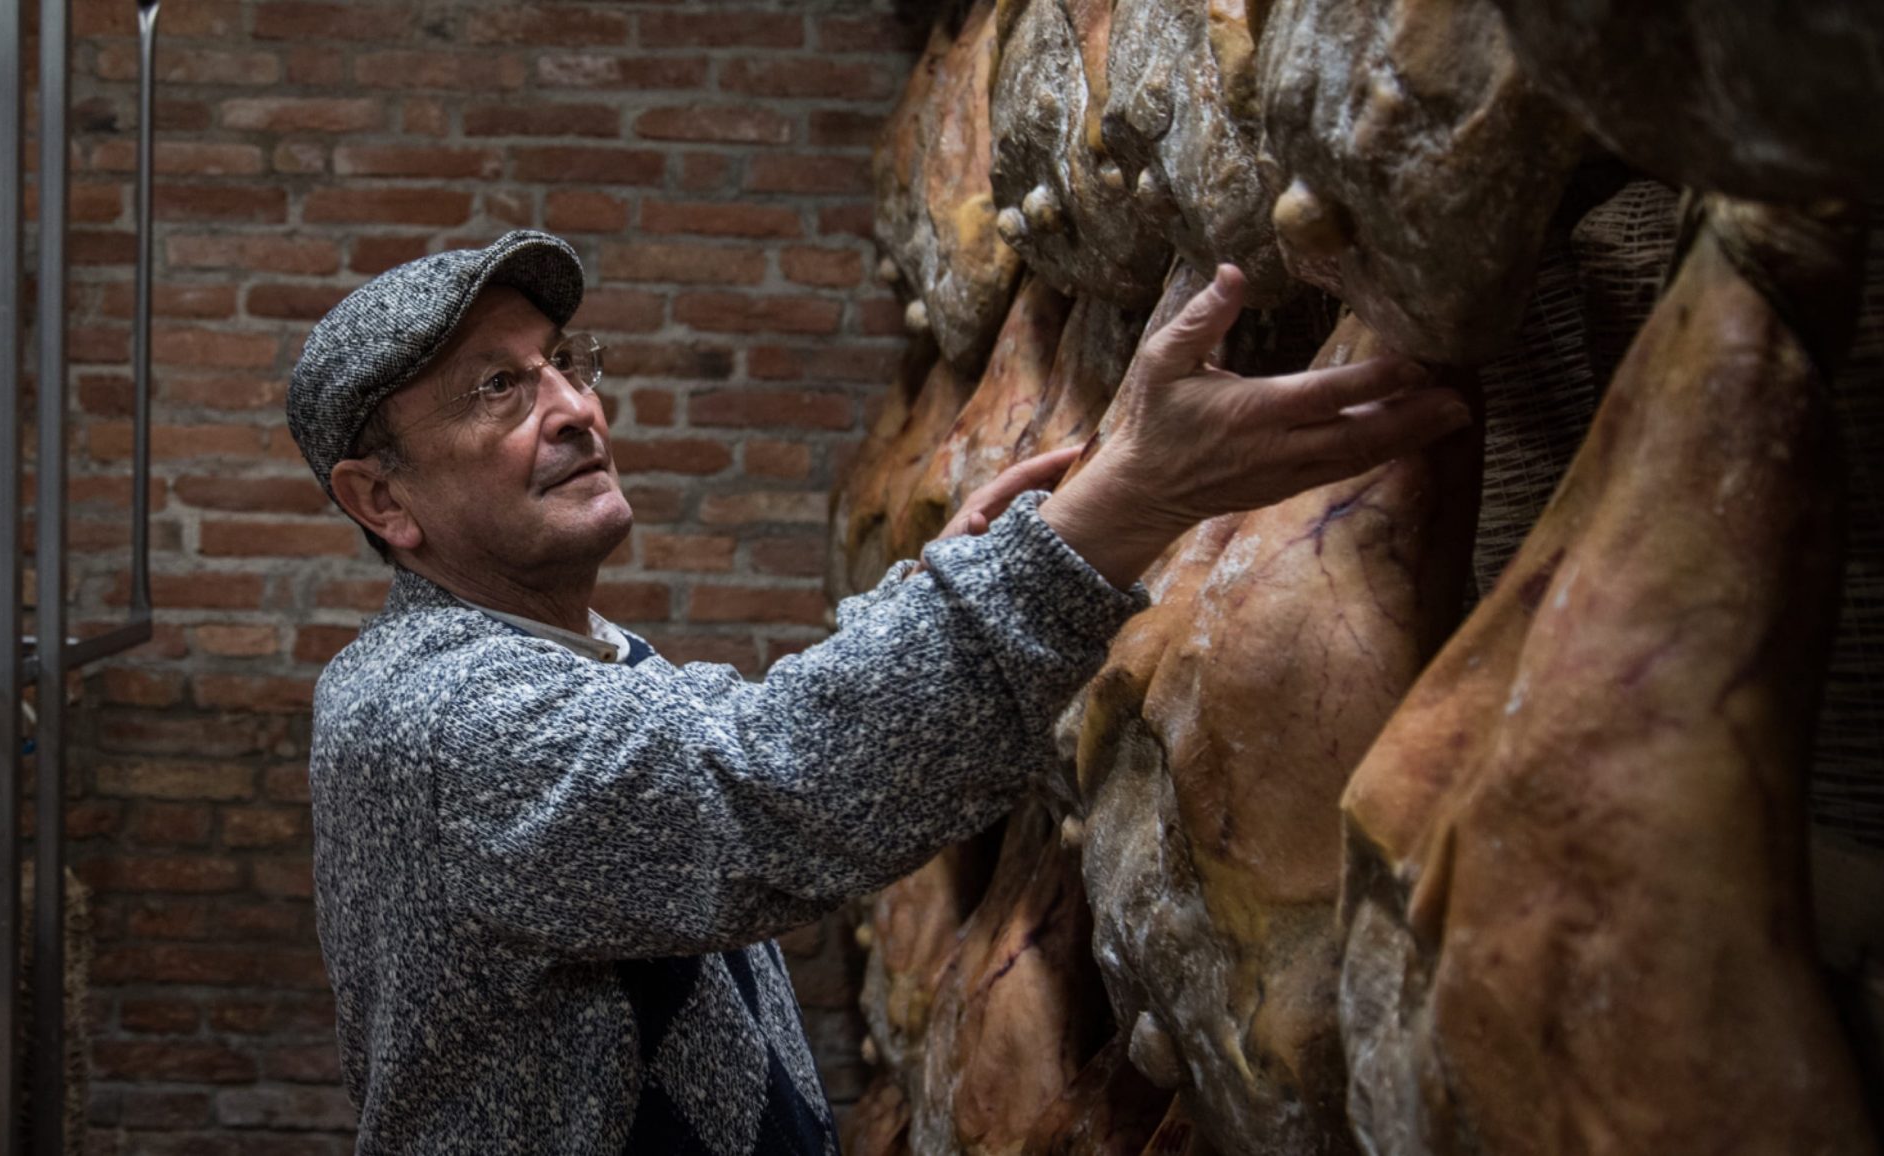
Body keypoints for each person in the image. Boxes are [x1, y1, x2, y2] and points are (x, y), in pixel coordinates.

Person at [285, 229, 1468, 1154]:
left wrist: (952, 574)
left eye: (565, 364)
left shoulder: (560, 648)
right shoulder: (436, 718)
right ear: (383, 502)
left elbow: (730, 736)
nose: (576, 409)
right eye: (498, 389)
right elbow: (765, 787)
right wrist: (1117, 516)